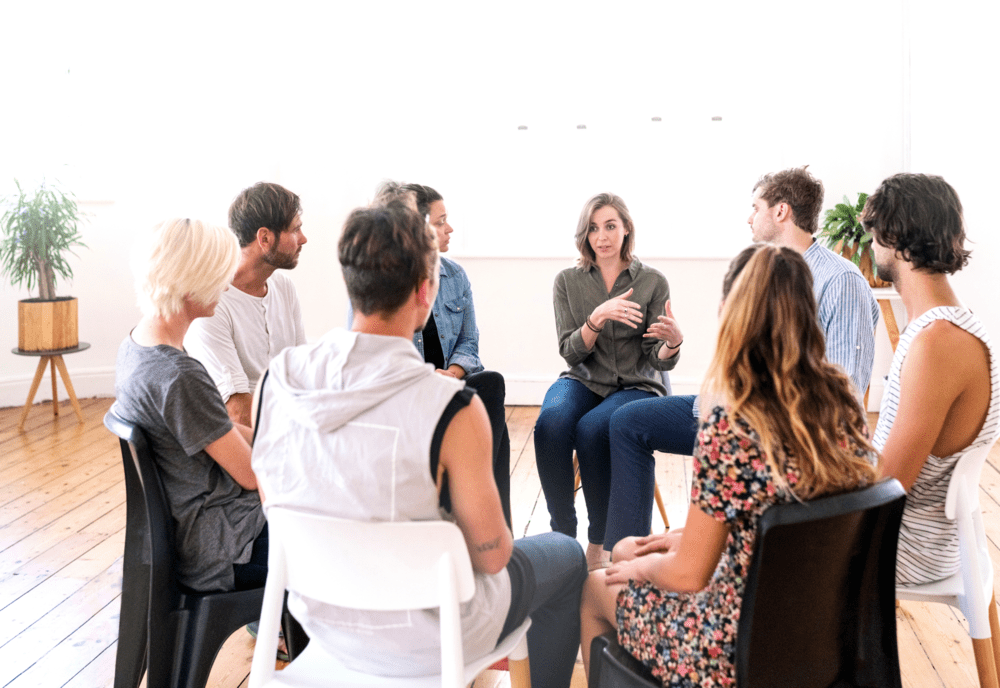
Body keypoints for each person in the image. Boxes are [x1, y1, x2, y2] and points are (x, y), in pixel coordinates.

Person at [251, 202, 587, 687]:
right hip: (433, 638)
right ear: (425, 291)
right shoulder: (451, 407)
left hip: (322, 623)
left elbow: (274, 502)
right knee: (567, 555)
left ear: (351, 283)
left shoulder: (277, 380)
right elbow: (493, 557)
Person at [580, 245, 878, 687]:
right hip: (815, 627)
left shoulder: (733, 424)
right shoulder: (843, 407)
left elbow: (687, 574)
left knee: (597, 587)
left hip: (731, 646)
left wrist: (644, 569)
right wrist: (677, 539)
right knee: (626, 549)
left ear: (729, 312)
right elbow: (782, 511)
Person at [603, 166, 879, 553]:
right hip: (732, 411)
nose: (749, 216)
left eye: (756, 206)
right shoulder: (762, 270)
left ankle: (657, 559)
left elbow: (846, 389)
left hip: (774, 430)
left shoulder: (841, 280)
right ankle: (625, 553)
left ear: (781, 212)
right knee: (627, 421)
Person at [110, 218, 266, 592]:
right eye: (218, 277)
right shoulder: (178, 376)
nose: (226, 286)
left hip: (196, 531)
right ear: (190, 284)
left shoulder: (137, 346)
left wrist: (273, 437)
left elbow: (222, 431)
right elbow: (252, 475)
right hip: (223, 546)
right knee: (333, 524)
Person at [862, 173, 999, 585]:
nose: (871, 247)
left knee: (749, 528)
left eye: (874, 236)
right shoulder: (944, 328)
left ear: (894, 237)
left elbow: (889, 483)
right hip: (910, 535)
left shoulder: (937, 343)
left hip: (902, 545)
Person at [534, 192, 680, 570]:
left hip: (635, 383)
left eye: (611, 226)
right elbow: (570, 352)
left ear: (626, 229)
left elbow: (656, 358)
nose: (603, 236)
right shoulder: (568, 281)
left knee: (593, 428)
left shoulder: (652, 282)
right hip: (583, 377)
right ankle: (562, 534)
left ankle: (596, 542)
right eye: (594, 228)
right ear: (585, 234)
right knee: (550, 423)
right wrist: (596, 319)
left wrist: (672, 342)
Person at [403, 183, 512, 528]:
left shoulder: (455, 276)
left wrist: (451, 374)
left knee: (489, 384)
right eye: (440, 221)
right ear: (417, 229)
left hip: (452, 383)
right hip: (411, 391)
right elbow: (381, 354)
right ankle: (483, 521)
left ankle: (494, 519)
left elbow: (469, 343)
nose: (449, 229)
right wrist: (432, 379)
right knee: (486, 396)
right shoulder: (388, 283)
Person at [185, 182, 307, 427]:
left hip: (287, 423)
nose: (303, 239)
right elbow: (237, 412)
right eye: (295, 230)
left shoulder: (284, 287)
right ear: (264, 238)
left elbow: (303, 371)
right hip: (249, 442)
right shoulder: (210, 303)